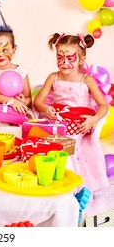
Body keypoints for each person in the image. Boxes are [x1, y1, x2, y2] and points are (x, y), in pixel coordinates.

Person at [33, 32, 109, 194]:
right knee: (52, 148)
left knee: (82, 151)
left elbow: (103, 105)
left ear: (81, 59)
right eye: (60, 58)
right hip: (58, 127)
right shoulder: (53, 78)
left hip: (80, 129)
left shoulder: (86, 80)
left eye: (70, 58)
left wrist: (93, 119)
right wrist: (47, 109)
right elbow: (37, 102)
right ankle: (61, 185)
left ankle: (82, 187)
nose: (64, 63)